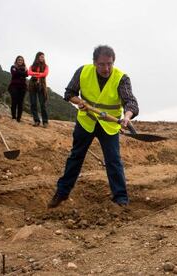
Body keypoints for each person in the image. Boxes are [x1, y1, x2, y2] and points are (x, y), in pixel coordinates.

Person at [48, 45, 139, 208]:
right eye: (102, 64)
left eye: (110, 64)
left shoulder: (121, 78)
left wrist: (126, 117)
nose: (106, 68)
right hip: (86, 122)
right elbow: (69, 93)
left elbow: (130, 102)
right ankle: (61, 193)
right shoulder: (83, 72)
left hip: (109, 126)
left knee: (113, 161)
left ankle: (121, 199)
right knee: (76, 157)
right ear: (94, 63)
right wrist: (79, 102)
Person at [28, 52, 49, 127]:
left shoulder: (46, 66)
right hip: (32, 86)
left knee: (42, 104)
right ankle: (36, 120)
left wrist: (35, 74)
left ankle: (45, 122)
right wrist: (39, 74)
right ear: (37, 57)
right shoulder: (32, 66)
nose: (42, 58)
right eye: (41, 57)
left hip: (41, 86)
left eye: (43, 57)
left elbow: (45, 74)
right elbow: (29, 72)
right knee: (33, 104)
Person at [7, 56, 28, 122]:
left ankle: (19, 118)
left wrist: (21, 73)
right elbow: (14, 73)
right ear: (16, 61)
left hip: (23, 87)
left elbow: (27, 74)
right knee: (14, 101)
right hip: (14, 86)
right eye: (19, 60)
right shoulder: (13, 67)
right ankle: (13, 117)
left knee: (20, 103)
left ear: (23, 61)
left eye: (21, 60)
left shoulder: (24, 68)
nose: (20, 61)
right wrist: (23, 73)